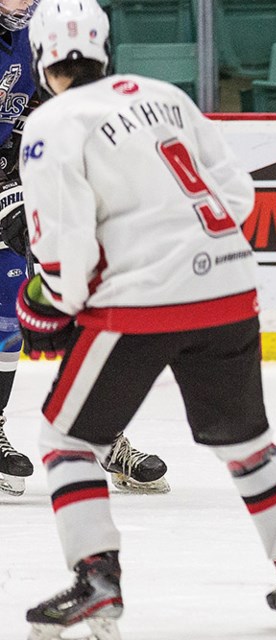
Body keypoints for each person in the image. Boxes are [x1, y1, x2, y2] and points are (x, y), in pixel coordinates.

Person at [19, 0, 276, 636]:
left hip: (137, 301)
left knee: (66, 440)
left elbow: (63, 241)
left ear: (42, 57)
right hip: (228, 288)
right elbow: (239, 195)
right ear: (105, 48)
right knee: (246, 443)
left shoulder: (52, 121)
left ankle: (97, 581)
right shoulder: (169, 96)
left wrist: (54, 299)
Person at [0, 0, 168, 497]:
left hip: (16, 179)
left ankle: (101, 436)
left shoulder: (36, 30)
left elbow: (48, 113)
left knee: (75, 300)